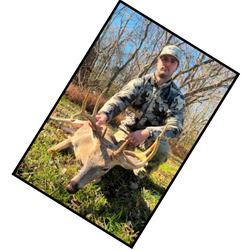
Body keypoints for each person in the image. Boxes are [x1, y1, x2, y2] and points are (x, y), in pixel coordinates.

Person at [91, 45, 185, 189]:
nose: (167, 64)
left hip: (149, 138)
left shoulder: (176, 97)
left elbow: (175, 128)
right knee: (108, 153)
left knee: (162, 153)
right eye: (164, 59)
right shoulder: (139, 83)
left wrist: (147, 133)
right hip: (127, 131)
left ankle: (137, 174)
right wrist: (104, 115)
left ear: (176, 68)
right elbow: (120, 100)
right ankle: (100, 171)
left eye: (172, 61)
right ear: (158, 61)